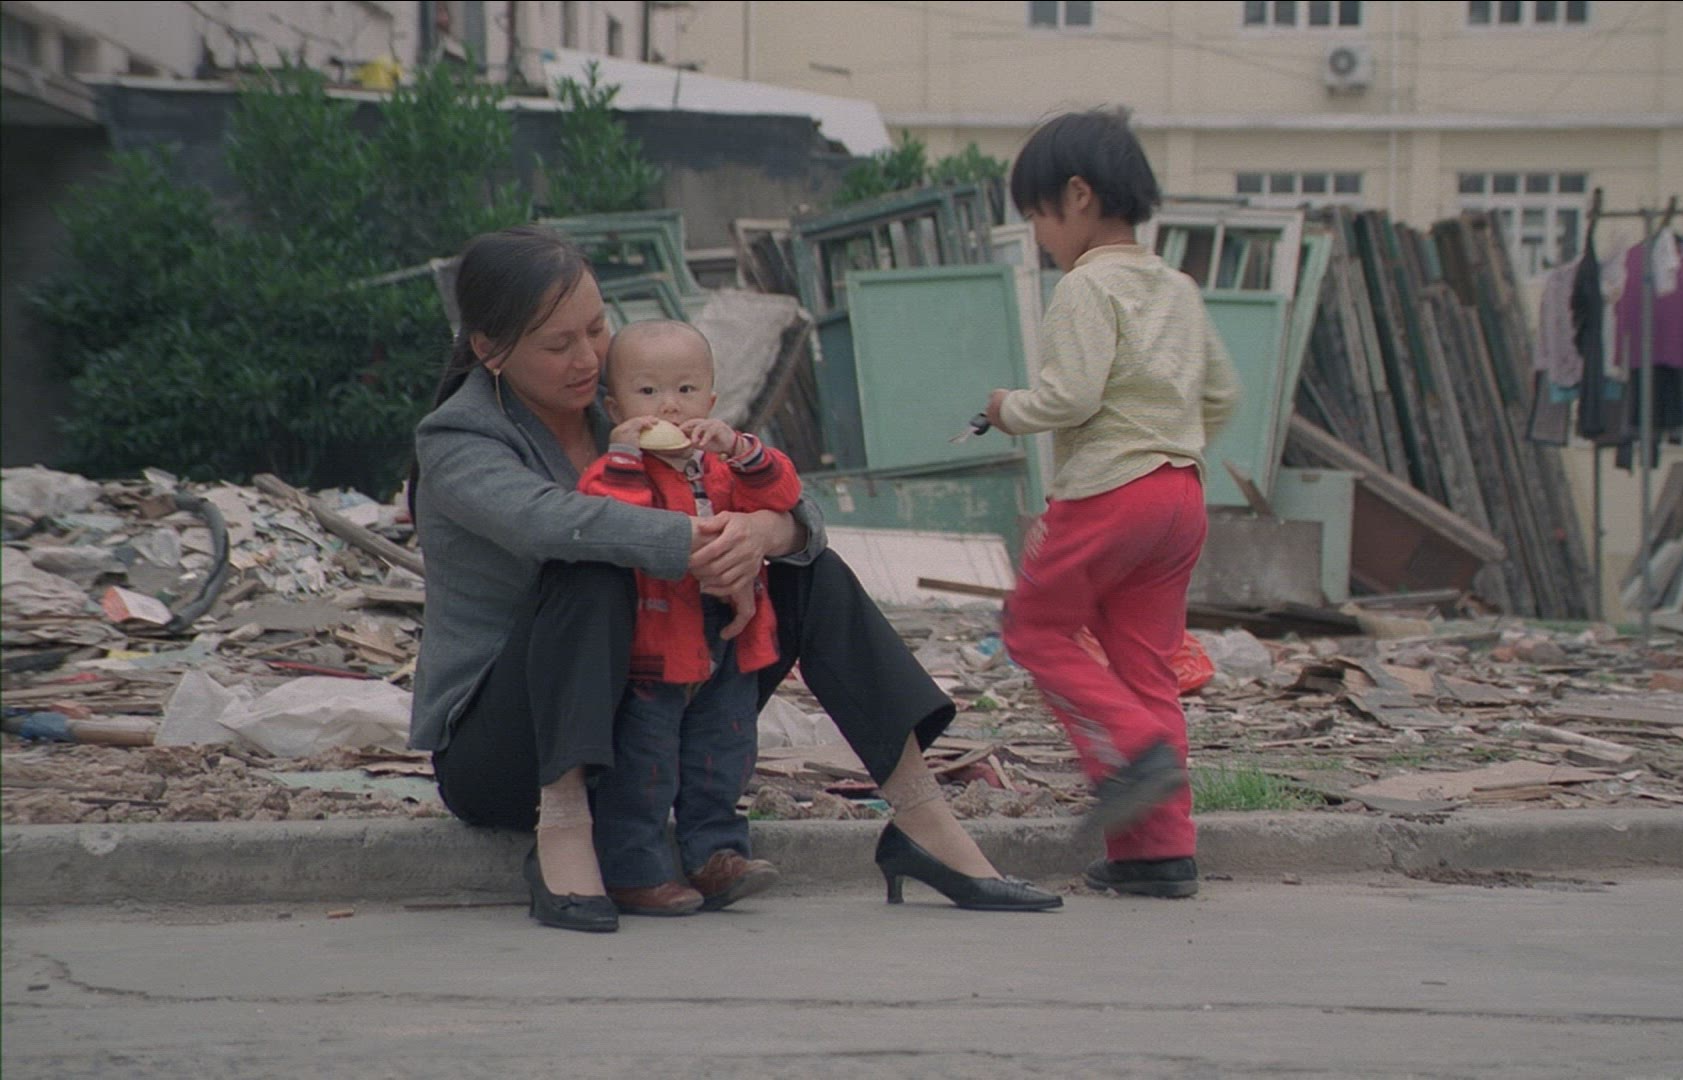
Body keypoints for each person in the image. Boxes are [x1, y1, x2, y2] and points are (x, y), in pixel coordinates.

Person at [409, 225, 1061, 932]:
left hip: (652, 706)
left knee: (808, 572)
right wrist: (698, 544)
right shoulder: (459, 438)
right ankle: (565, 829)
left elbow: (784, 500)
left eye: (596, 329)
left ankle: (921, 817)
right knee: (590, 568)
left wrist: (759, 536)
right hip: (509, 752)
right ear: (490, 349)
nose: (588, 358)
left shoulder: (629, 400)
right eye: (558, 344)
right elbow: (551, 523)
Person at [984, 110, 1241, 900]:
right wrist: (1176, 441)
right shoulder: (1178, 288)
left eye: (1038, 216)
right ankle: (1157, 855)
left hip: (1108, 494)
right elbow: (1223, 395)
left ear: (1078, 196)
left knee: (1035, 628)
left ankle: (1132, 752)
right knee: (1144, 668)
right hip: (1181, 495)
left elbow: (1070, 396)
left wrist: (1007, 409)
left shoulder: (1086, 286)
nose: (1039, 237)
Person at [572, 320, 798, 917]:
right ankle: (635, 871)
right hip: (656, 645)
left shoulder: (720, 468)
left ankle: (717, 858)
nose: (669, 406)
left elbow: (781, 497)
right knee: (644, 764)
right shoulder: (617, 469)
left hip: (725, 639)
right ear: (615, 408)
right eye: (648, 392)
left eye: (686, 390)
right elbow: (615, 520)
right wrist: (625, 452)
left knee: (723, 756)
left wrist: (741, 449)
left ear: (712, 402)